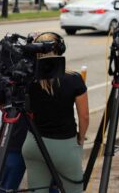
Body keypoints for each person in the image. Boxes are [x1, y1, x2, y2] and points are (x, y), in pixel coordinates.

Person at [22, 32, 89, 193]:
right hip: (64, 146)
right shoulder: (74, 79)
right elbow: (84, 116)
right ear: (60, 50)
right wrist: (80, 138)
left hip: (33, 143)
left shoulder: (26, 78)